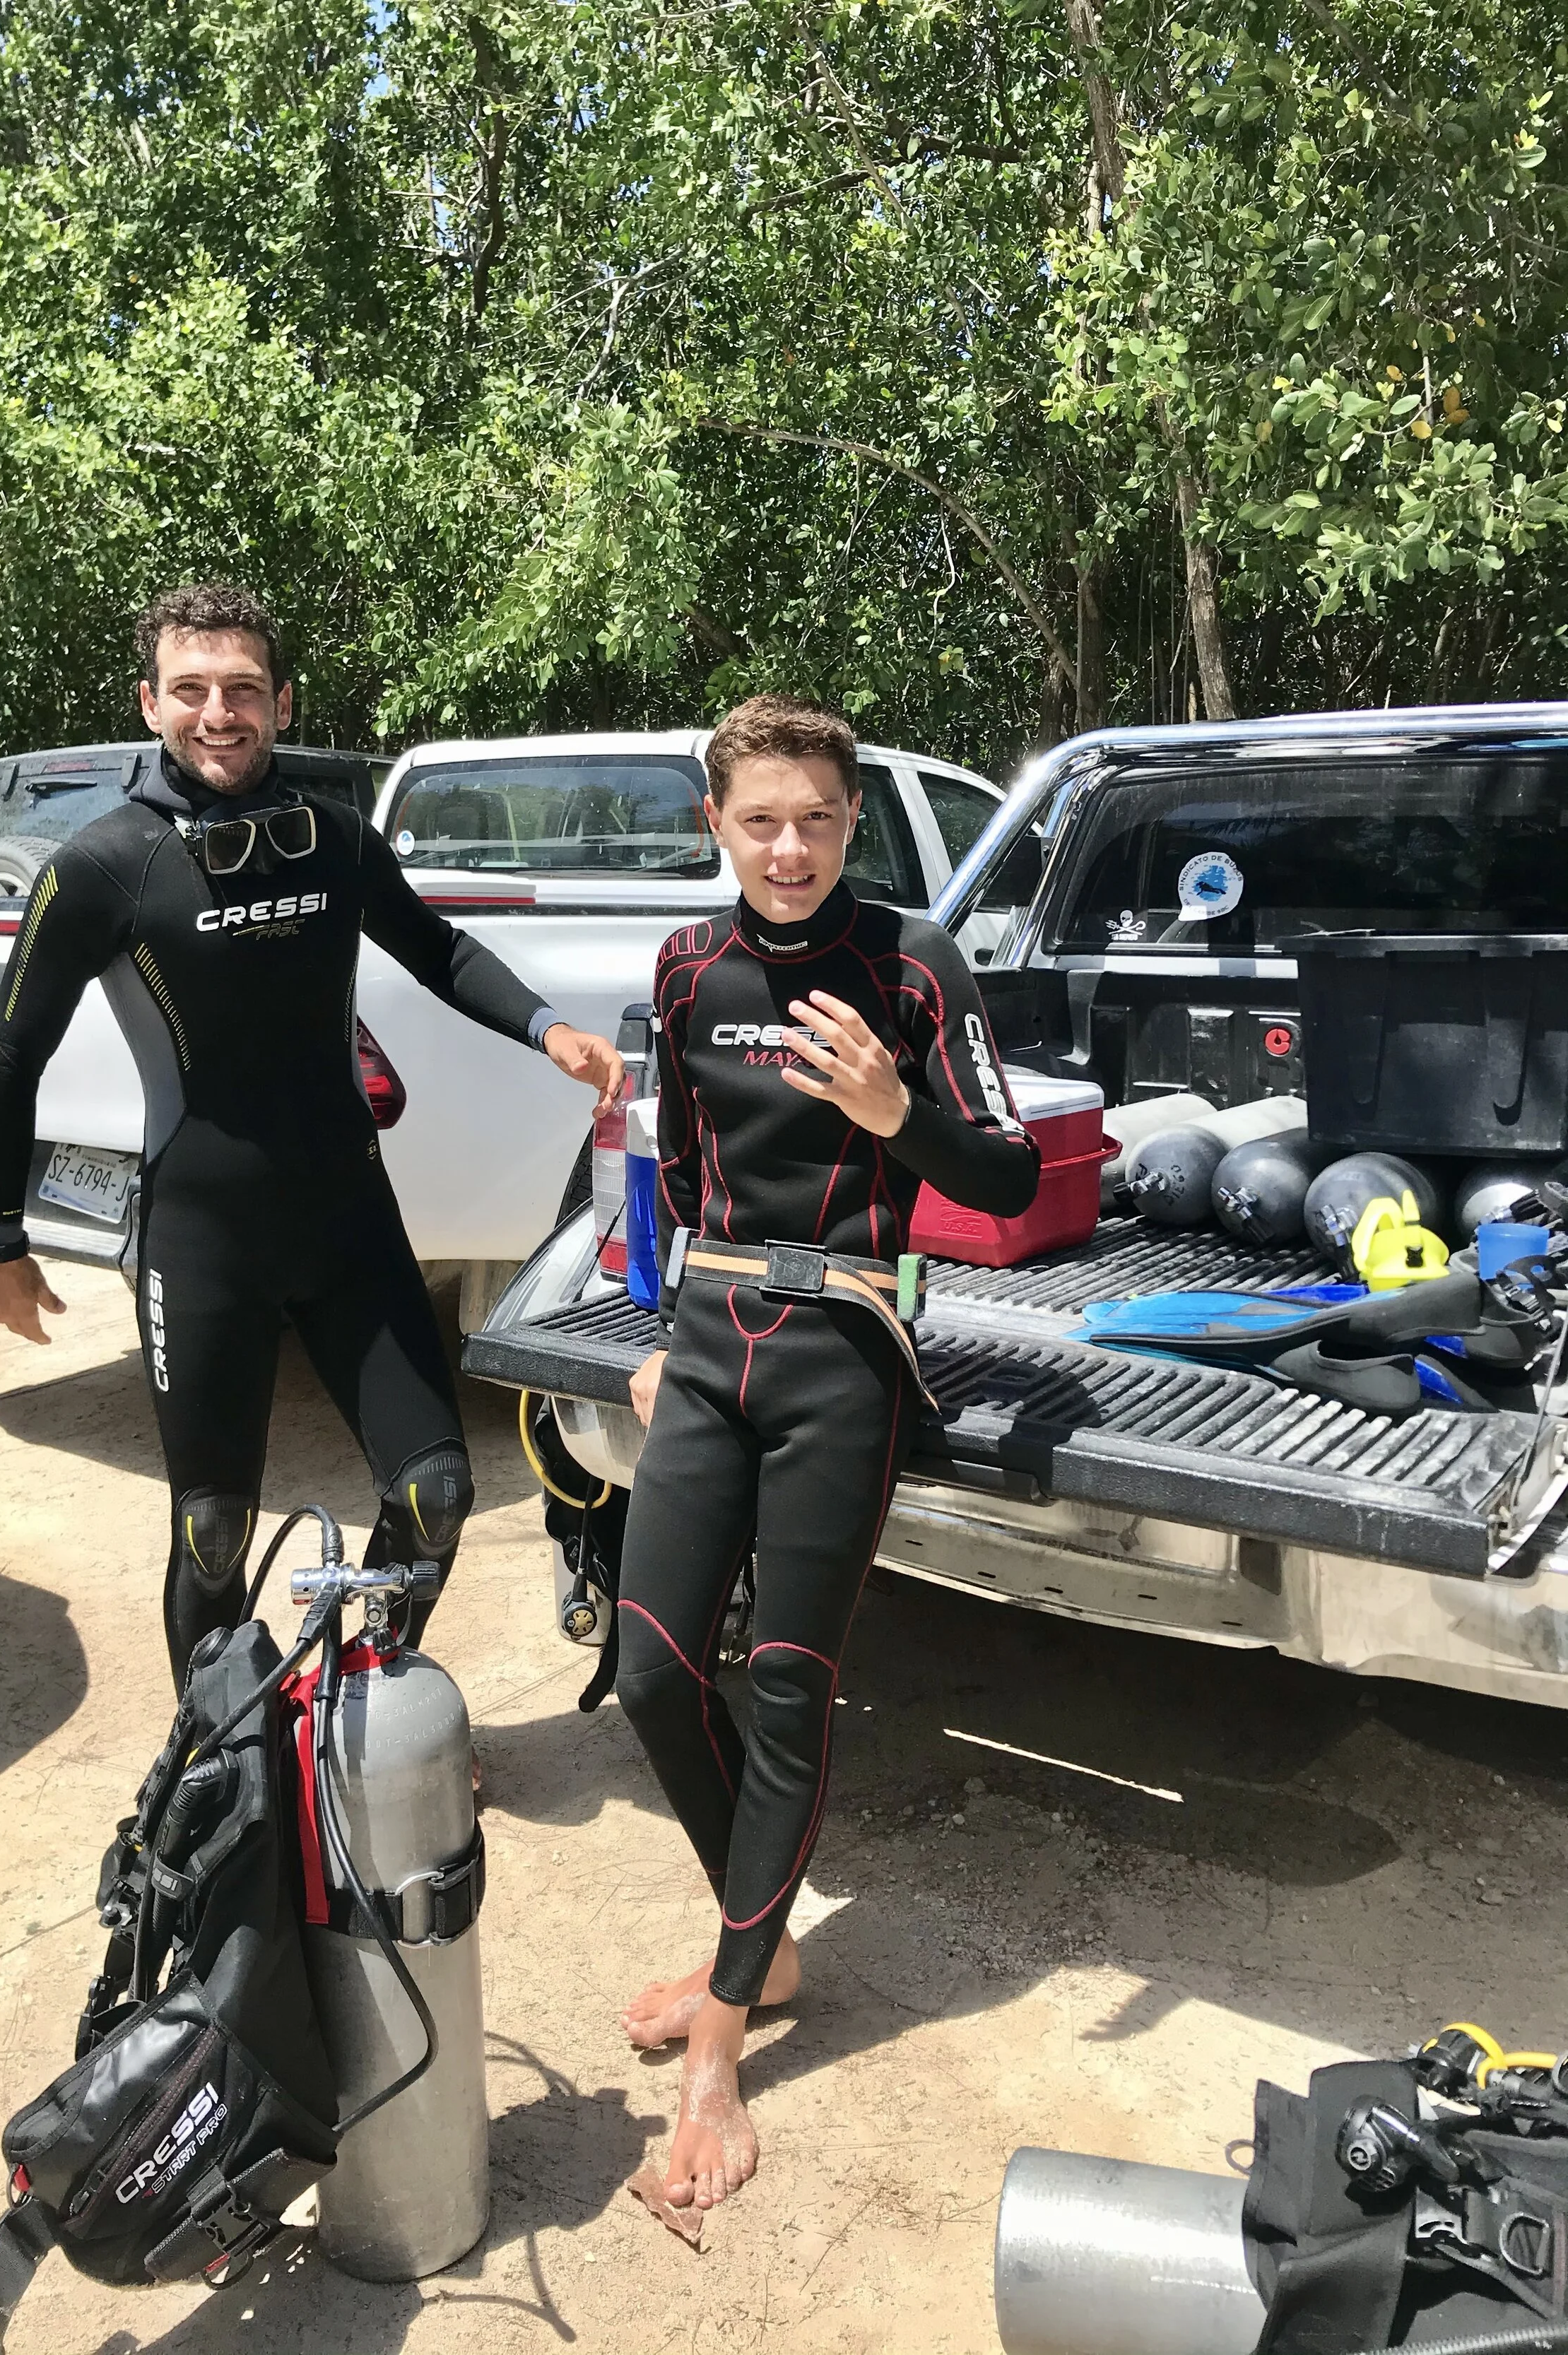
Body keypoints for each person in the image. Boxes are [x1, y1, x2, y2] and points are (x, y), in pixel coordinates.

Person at [0, 582, 622, 1685]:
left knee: (436, 1496)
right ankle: (216, 1750)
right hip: (202, 1237)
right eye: (191, 691)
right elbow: (9, 1054)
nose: (218, 713)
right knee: (213, 1529)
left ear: (281, 701)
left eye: (243, 690)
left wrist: (550, 1031)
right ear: (150, 703)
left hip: (347, 1225)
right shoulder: (101, 865)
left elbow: (439, 950)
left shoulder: (334, 841)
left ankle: (362, 1706)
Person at [614, 694, 1039, 2212]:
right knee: (654, 1666)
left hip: (843, 1352)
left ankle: (723, 2040)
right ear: (712, 826)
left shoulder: (911, 961)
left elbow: (1003, 1170)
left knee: (785, 1685)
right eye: (757, 820)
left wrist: (891, 1108)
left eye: (814, 820)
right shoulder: (683, 967)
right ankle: (768, 1932)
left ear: (851, 823)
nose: (787, 848)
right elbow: (670, 1161)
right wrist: (665, 1324)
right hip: (710, 1338)